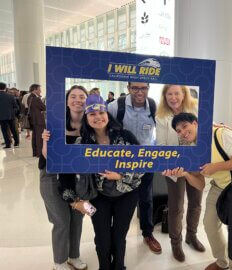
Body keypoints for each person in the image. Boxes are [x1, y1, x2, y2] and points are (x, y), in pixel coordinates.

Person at [165, 113, 232, 270]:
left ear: (195, 123)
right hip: (220, 186)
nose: (183, 132)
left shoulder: (220, 134)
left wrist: (215, 167)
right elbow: (200, 185)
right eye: (178, 131)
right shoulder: (193, 151)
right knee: (209, 224)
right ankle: (222, 262)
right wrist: (186, 174)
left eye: (185, 126)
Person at [77, 94, 142, 270]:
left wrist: (120, 176)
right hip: (98, 196)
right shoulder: (82, 143)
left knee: (119, 236)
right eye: (92, 114)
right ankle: (104, 267)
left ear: (107, 114)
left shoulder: (126, 136)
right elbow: (73, 172)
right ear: (86, 118)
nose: (98, 117)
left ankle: (119, 266)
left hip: (127, 194)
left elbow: (142, 165)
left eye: (101, 113)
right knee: (102, 237)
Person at [108, 82, 161, 254]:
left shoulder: (154, 106)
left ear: (148, 88)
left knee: (146, 198)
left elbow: (170, 124)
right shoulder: (116, 106)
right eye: (135, 88)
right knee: (121, 198)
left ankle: (148, 233)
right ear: (128, 87)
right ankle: (115, 236)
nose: (139, 92)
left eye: (143, 88)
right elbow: (103, 128)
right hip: (122, 163)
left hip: (146, 161)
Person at [40, 85, 89, 270]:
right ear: (67, 101)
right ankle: (59, 262)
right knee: (61, 220)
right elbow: (46, 156)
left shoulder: (90, 123)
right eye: (73, 96)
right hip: (53, 177)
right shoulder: (55, 122)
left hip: (78, 179)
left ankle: (73, 256)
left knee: (77, 218)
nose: (78, 100)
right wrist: (45, 140)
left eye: (82, 96)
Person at [155, 84, 203, 262]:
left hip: (196, 164)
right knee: (176, 207)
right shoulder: (161, 116)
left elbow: (204, 132)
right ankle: (176, 243)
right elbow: (160, 144)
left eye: (177, 93)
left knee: (196, 203)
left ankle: (192, 235)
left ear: (184, 94)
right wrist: (166, 164)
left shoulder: (197, 107)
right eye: (169, 94)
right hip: (174, 167)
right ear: (165, 97)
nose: (173, 97)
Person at [28, 83, 46, 157]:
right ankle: (39, 153)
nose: (40, 91)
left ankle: (35, 152)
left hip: (33, 120)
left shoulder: (30, 97)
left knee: (35, 137)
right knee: (40, 137)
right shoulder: (36, 98)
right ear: (35, 90)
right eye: (39, 89)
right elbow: (44, 107)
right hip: (39, 120)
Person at [0, 82, 19, 149]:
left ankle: (8, 144)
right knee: (14, 129)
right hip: (11, 116)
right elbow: (16, 107)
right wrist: (12, 112)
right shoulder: (11, 96)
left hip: (1, 117)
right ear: (5, 88)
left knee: (5, 131)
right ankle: (16, 143)